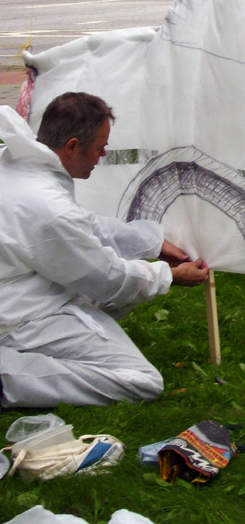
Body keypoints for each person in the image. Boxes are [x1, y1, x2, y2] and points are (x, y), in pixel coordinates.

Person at [0, 93, 209, 408]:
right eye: (99, 148)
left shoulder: (20, 164)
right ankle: (9, 377)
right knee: (140, 380)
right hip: (19, 316)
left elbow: (84, 226)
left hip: (22, 287)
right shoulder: (46, 205)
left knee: (120, 285)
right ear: (72, 146)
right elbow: (108, 278)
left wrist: (150, 242)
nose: (103, 155)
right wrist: (169, 276)